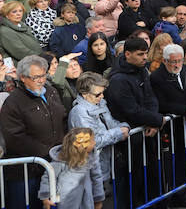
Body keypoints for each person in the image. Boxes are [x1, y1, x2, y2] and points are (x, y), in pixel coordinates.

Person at [0, 55, 67, 209]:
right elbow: (15, 137)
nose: (41, 80)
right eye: (36, 77)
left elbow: (63, 117)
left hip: (53, 164)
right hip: (26, 172)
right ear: (23, 77)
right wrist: (48, 152)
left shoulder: (50, 91)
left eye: (43, 75)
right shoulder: (14, 102)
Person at [106, 38, 165, 208]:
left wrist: (154, 120)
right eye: (140, 54)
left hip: (146, 133)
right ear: (127, 54)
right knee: (133, 182)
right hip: (130, 141)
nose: (145, 57)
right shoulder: (118, 79)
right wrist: (157, 119)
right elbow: (129, 109)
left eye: (146, 53)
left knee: (152, 178)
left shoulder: (141, 71)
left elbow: (150, 97)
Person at [150, 44, 186, 207]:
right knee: (171, 165)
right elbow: (161, 103)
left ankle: (182, 194)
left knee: (185, 162)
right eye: (172, 62)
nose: (176, 65)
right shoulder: (157, 77)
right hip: (171, 129)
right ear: (165, 61)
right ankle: (171, 197)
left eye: (179, 61)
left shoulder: (185, 70)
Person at [68, 73, 129, 207]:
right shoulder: (79, 112)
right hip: (91, 169)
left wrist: (123, 125)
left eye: (102, 93)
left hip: (107, 164)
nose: (101, 97)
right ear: (84, 94)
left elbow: (110, 123)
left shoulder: (100, 103)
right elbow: (91, 141)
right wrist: (119, 132)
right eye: (97, 94)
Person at [38, 127, 105, 209]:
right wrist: (45, 197)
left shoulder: (91, 158)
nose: (94, 143)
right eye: (92, 141)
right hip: (65, 202)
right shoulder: (60, 160)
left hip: (86, 202)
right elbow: (48, 178)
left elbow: (97, 178)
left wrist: (98, 199)